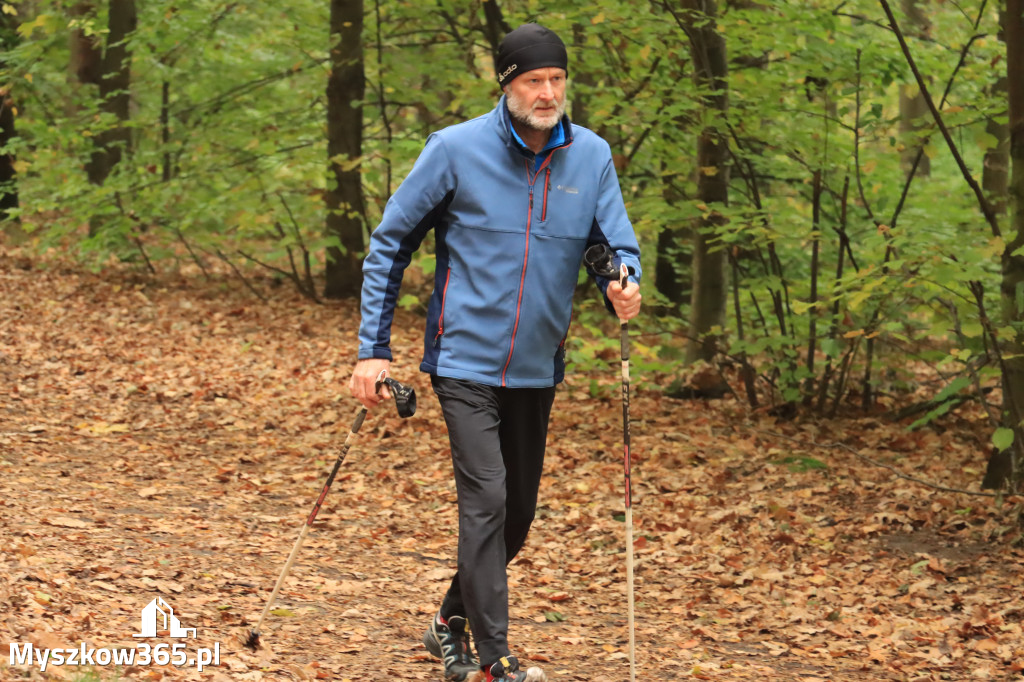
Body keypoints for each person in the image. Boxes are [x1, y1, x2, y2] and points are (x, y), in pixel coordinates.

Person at [349, 22, 642, 682]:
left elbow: (614, 247)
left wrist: (624, 282)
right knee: (485, 501)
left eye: (557, 80)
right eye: (534, 80)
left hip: (538, 364)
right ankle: (495, 659)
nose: (547, 92)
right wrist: (373, 350)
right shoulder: (454, 150)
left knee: (517, 516)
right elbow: (389, 245)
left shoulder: (590, 156)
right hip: (463, 362)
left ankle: (448, 622)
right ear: (507, 85)